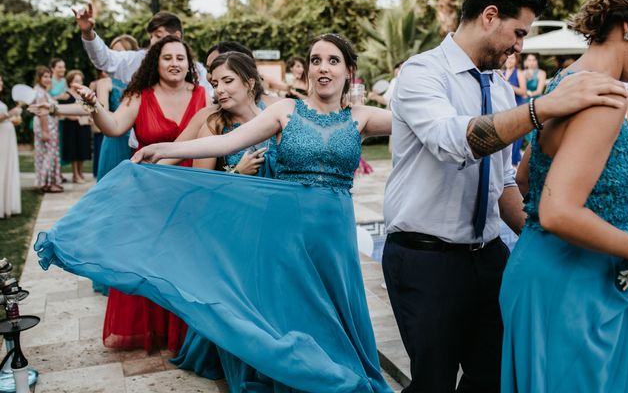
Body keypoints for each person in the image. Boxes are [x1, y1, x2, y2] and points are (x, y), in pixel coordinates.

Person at [36, 33, 394, 391]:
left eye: (333, 61)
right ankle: (304, 377)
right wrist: (162, 148)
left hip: (335, 237)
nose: (322, 68)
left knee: (336, 310)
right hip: (287, 232)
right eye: (316, 60)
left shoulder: (362, 117)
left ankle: (339, 367)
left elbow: (424, 120)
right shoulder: (286, 110)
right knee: (295, 312)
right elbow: (226, 142)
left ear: (349, 70)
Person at [382, 0, 628, 393]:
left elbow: (504, 185)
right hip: (426, 259)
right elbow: (454, 142)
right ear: (489, 16)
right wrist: (542, 107)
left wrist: (542, 237)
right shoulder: (422, 74)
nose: (520, 46)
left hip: (489, 256)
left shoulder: (498, 88)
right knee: (434, 383)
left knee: (494, 379)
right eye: (518, 33)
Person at [500, 0, 628, 393]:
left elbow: (523, 181)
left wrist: (541, 245)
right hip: (575, 298)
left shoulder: (567, 84)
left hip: (545, 278)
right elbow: (557, 210)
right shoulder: (605, 96)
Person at [72, 35, 210, 354]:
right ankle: (154, 330)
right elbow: (114, 126)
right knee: (152, 261)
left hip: (191, 190)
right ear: (155, 62)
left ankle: (185, 333)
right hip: (150, 193)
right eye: (167, 58)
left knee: (185, 263)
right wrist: (94, 106)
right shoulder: (140, 94)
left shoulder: (204, 94)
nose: (175, 63)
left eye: (181, 57)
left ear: (190, 64)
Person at [171, 51, 278, 379]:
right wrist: (238, 173)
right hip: (232, 232)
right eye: (215, 83)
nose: (219, 90)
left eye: (227, 81)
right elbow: (201, 191)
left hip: (272, 229)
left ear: (249, 82)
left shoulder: (276, 120)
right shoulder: (214, 125)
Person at [72, 4, 213, 99]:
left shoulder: (197, 71)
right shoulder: (139, 60)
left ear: (177, 36)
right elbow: (105, 60)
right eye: (151, 36)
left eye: (158, 35)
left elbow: (208, 103)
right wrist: (88, 33)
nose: (152, 42)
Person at [94, 35, 139, 182]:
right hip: (115, 139)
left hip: (138, 138)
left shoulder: (142, 82)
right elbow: (102, 110)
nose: (116, 58)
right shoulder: (105, 82)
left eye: (120, 53)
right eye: (112, 52)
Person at [32, 66, 63, 193]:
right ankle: (47, 183)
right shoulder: (40, 93)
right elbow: (42, 113)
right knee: (49, 155)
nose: (48, 79)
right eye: (45, 76)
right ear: (39, 78)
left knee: (45, 154)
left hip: (49, 126)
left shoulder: (42, 91)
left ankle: (47, 182)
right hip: (46, 126)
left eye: (49, 76)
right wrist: (45, 131)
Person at [59, 70, 92, 183]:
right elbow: (62, 112)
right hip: (72, 127)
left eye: (80, 80)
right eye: (76, 80)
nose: (79, 82)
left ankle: (81, 173)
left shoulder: (84, 94)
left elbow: (89, 109)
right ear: (70, 82)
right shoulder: (66, 95)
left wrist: (89, 118)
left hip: (84, 126)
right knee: (74, 150)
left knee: (82, 150)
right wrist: (77, 117)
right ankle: (75, 174)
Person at [0, 73, 22, 218]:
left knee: (7, 168)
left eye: (1, 80)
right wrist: (11, 113)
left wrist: (12, 118)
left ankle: (6, 204)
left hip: (6, 138)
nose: (1, 82)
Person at [501, 53, 526, 166]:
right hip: (506, 109)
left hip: (518, 107)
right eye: (508, 58)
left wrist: (508, 85)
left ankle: (514, 165)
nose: (509, 60)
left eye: (512, 58)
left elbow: (523, 91)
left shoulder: (519, 73)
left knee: (516, 139)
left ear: (516, 60)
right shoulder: (502, 73)